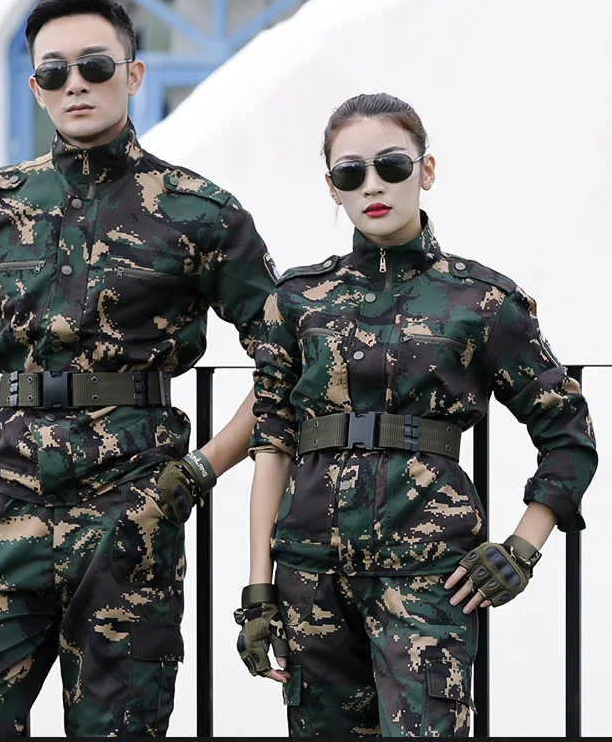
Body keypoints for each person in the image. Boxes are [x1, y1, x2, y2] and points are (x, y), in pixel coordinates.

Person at [0, 0, 279, 736]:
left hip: (134, 512)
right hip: (6, 506)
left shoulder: (200, 211)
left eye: (95, 66)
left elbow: (287, 364)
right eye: (54, 71)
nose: (75, 83)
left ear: (132, 74)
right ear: (37, 87)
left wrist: (195, 475)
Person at [233, 92, 598, 737]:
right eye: (351, 173)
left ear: (425, 171)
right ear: (332, 187)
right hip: (310, 573)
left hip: (430, 573)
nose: (372, 185)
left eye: (392, 165)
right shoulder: (297, 299)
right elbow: (272, 443)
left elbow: (568, 433)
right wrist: (259, 589)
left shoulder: (481, 300)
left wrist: (522, 549)